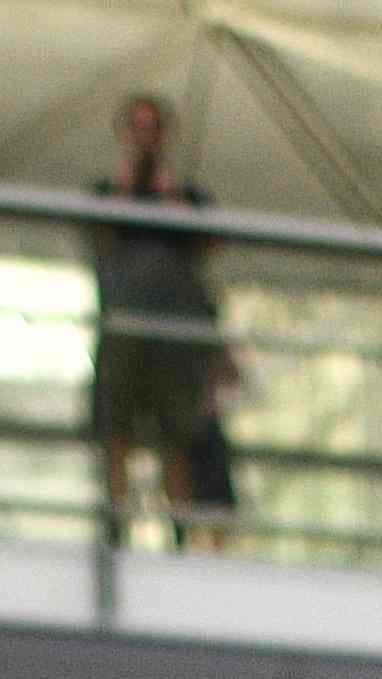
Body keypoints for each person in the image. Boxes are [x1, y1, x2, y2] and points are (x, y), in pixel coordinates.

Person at [88, 95, 239, 541]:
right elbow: (99, 238)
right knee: (117, 430)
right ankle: (117, 528)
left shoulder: (188, 197)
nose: (145, 136)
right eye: (137, 127)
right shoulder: (105, 193)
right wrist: (124, 190)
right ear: (124, 135)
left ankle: (180, 533)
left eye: (152, 127)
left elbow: (210, 245)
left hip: (176, 340)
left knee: (177, 435)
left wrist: (171, 198)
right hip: (124, 331)